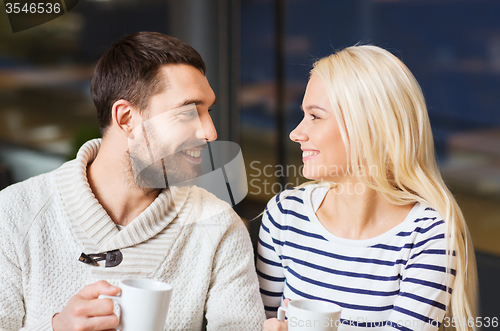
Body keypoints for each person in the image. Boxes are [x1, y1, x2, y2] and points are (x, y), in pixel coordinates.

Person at [0, 32, 265, 331]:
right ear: (126, 119)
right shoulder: (14, 213)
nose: (210, 132)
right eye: (188, 111)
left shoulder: (219, 226)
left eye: (208, 111)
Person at [258, 45, 478, 331]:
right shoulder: (285, 214)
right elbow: (261, 321)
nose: (296, 133)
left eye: (315, 116)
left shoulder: (428, 234)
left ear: (369, 127)